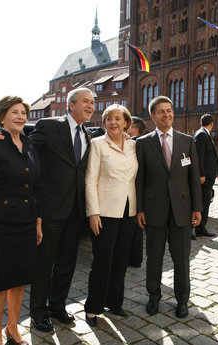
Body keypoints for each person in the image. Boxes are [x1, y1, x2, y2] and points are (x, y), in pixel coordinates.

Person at [0, 96, 42, 345]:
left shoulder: (30, 146)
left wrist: (37, 221)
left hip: (26, 223)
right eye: (14, 112)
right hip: (0, 226)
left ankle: (13, 327)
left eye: (23, 113)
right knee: (0, 282)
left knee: (20, 279)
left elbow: (35, 188)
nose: (20, 117)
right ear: (2, 116)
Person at [28, 88, 94, 331]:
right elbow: (27, 150)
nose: (90, 106)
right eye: (86, 102)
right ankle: (38, 312)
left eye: (92, 102)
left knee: (67, 262)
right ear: (71, 105)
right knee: (44, 263)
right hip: (49, 209)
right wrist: (4, 138)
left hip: (75, 211)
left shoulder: (88, 135)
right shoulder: (49, 126)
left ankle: (57, 306)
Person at [135, 96, 202, 318]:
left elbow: (193, 178)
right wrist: (140, 209)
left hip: (182, 211)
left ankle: (182, 300)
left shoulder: (187, 141)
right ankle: (154, 297)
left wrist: (197, 208)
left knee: (181, 259)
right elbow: (140, 179)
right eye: (161, 112)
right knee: (154, 258)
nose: (167, 115)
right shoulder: (143, 143)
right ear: (153, 116)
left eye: (169, 110)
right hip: (154, 211)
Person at [84, 104, 138, 327]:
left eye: (118, 118)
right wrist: (93, 212)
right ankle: (92, 308)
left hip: (129, 211)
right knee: (102, 262)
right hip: (104, 212)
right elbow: (90, 179)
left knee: (120, 261)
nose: (113, 122)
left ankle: (115, 303)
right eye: (109, 119)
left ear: (126, 122)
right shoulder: (97, 144)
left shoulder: (134, 145)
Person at [193, 114, 217, 238]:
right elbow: (199, 156)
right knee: (202, 202)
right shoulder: (202, 134)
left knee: (205, 202)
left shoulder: (203, 133)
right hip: (204, 178)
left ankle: (201, 228)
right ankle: (198, 228)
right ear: (211, 123)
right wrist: (201, 174)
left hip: (207, 177)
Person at [128, 116, 147, 268]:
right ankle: (136, 258)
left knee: (132, 227)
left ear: (134, 129)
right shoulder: (145, 142)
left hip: (132, 189)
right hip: (141, 191)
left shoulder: (133, 143)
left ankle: (132, 257)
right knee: (137, 228)